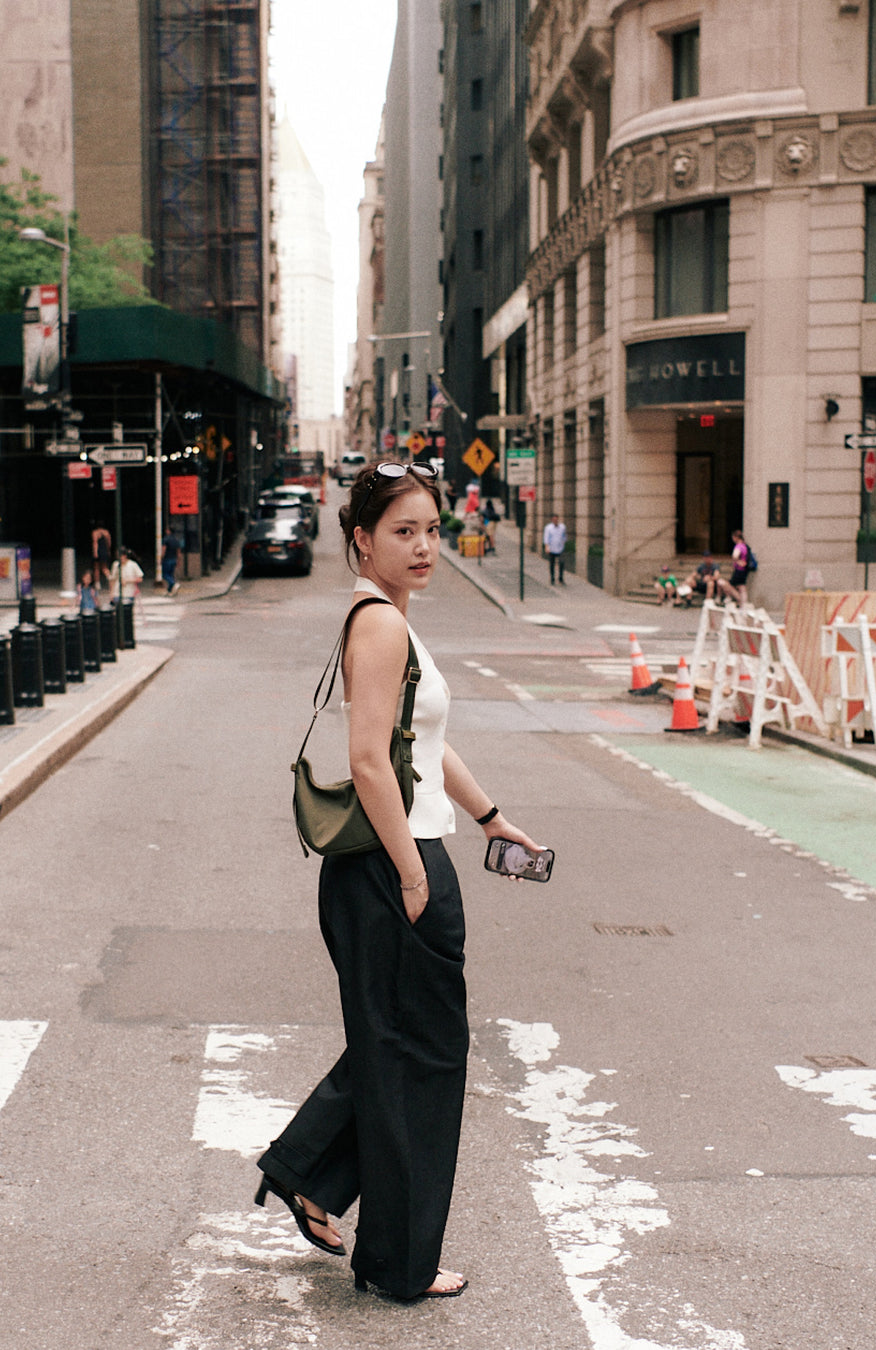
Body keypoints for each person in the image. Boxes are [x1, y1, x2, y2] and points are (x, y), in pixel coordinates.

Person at [255, 459, 543, 1303]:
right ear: (362, 542)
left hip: (393, 864)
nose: (424, 547)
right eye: (403, 532)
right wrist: (416, 873)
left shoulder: (392, 619)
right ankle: (396, 1262)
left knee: (398, 1051)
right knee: (421, 1060)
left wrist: (491, 817)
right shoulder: (379, 623)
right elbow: (370, 763)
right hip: (392, 867)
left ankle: (314, 1180)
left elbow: (421, 743)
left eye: (430, 529)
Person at [718, 530, 750, 605]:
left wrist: (738, 561)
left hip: (739, 570)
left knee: (729, 585)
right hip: (744, 570)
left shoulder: (738, 546)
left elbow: (734, 555)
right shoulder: (745, 546)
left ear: (735, 537)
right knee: (742, 587)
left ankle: (739, 599)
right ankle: (743, 603)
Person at [110, 548, 144, 613]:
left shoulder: (133, 565)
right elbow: (113, 579)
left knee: (127, 613)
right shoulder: (116, 565)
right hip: (117, 593)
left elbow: (140, 578)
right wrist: (111, 593)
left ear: (125, 556)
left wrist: (128, 580)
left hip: (129, 593)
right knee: (117, 612)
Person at [543, 513, 567, 585]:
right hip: (552, 548)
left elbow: (564, 536)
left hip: (560, 548)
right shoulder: (548, 528)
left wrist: (564, 542)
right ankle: (552, 578)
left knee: (561, 563)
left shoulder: (562, 527)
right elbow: (546, 537)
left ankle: (560, 578)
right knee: (552, 564)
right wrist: (547, 547)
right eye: (554, 519)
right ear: (552, 520)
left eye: (556, 519)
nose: (555, 520)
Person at [91, 523, 112, 591]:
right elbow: (109, 542)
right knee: (105, 567)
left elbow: (95, 542)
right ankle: (110, 579)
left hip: (99, 551)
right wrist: (108, 550)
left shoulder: (95, 532)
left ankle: (97, 584)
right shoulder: (106, 532)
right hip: (104, 550)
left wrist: (95, 553)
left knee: (97, 568)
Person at [161, 527, 181, 595]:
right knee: (171, 574)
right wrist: (178, 560)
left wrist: (161, 558)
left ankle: (173, 583)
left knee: (165, 574)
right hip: (174, 559)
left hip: (167, 559)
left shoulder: (165, 539)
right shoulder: (176, 540)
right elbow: (178, 551)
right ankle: (169, 590)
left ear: (169, 531)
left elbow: (164, 549)